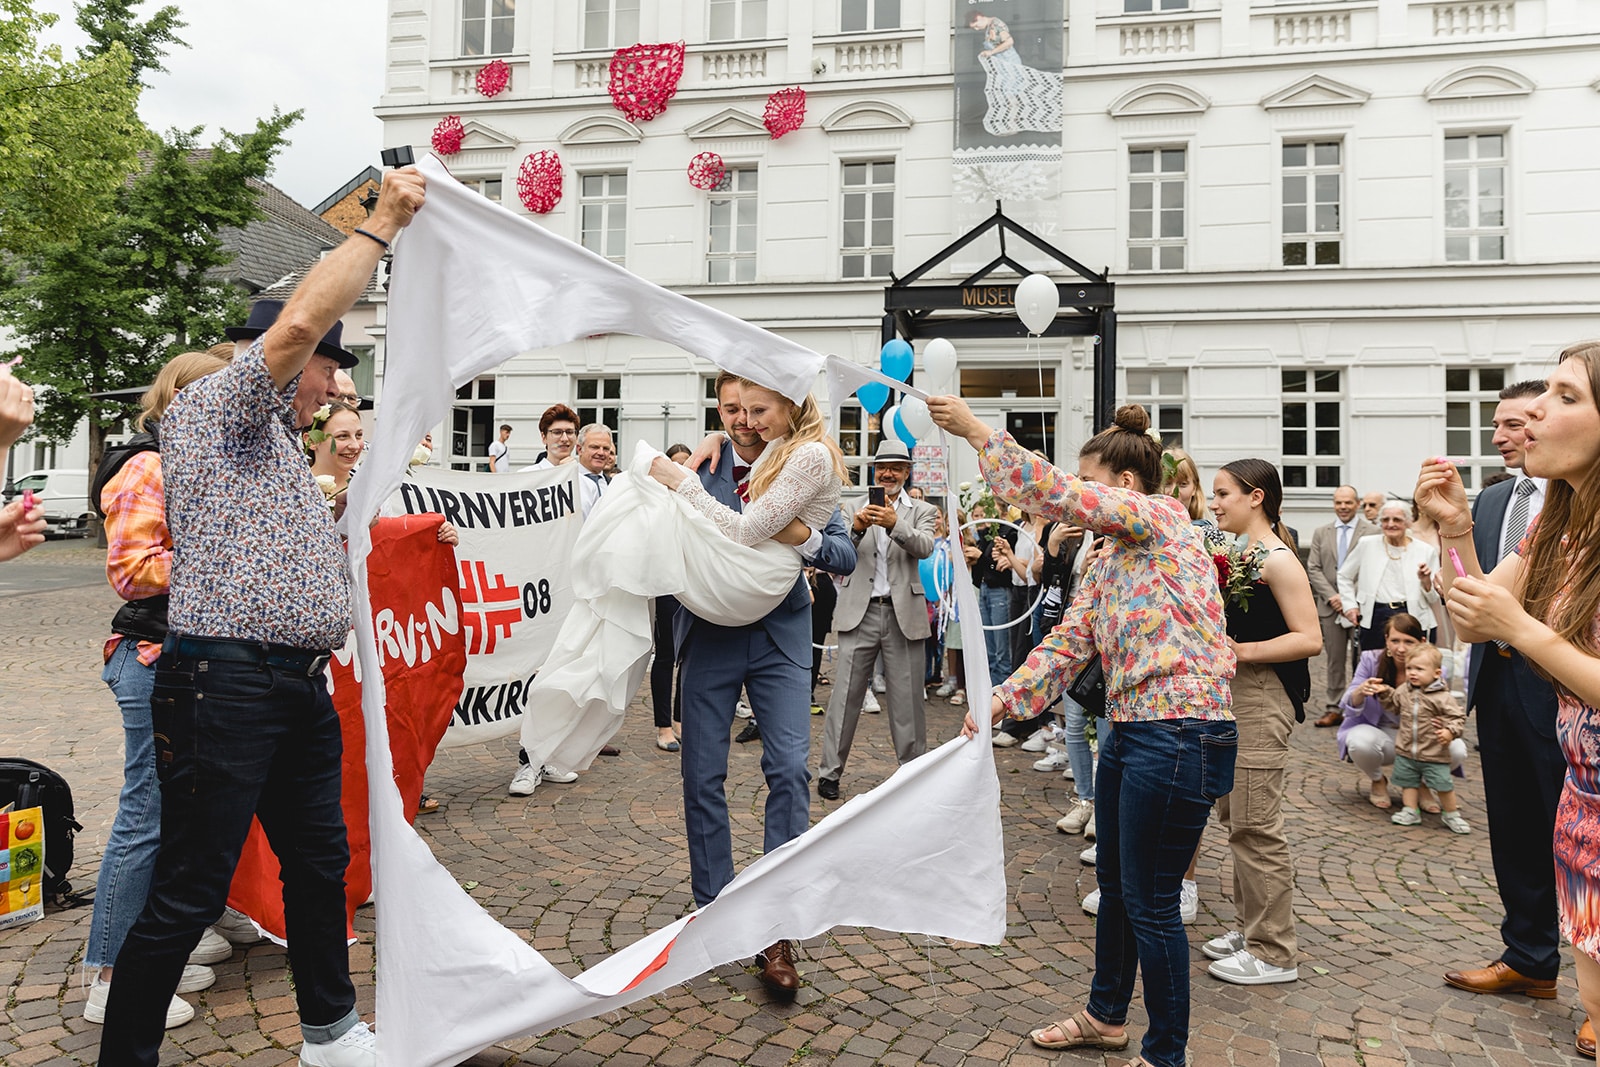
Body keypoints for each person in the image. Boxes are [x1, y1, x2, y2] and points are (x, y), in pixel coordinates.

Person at [95, 164, 426, 1067]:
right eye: (329, 368)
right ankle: (124, 1054)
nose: (332, 386)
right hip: (223, 678)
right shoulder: (221, 408)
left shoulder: (278, 444)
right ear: (284, 359)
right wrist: (381, 227)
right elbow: (298, 320)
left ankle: (331, 1032)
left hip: (293, 684)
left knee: (321, 866)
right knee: (190, 885)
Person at [930, 396, 1235, 1067]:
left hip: (1181, 729)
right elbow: (1069, 644)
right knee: (1121, 889)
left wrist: (980, 433)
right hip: (1129, 729)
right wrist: (1001, 700)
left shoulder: (1162, 516)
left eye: (1089, 483)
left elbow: (1055, 491)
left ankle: (1165, 1055)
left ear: (1123, 486)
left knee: (1154, 902)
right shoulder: (1102, 559)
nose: (1078, 501)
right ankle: (1106, 1016)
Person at [650, 372, 856, 998]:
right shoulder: (701, 463)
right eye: (730, 408)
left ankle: (776, 928)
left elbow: (844, 555)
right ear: (719, 409)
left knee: (791, 770)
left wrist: (806, 537)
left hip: (781, 637)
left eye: (752, 408)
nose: (742, 420)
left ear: (780, 409)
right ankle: (714, 908)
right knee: (700, 774)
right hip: (709, 637)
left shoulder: (804, 464)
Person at [1418, 351, 1600, 1045]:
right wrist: (1456, 528)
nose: (1533, 416)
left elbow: (1508, 622)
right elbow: (1475, 611)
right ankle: (1531, 956)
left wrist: (1522, 630)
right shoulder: (1555, 514)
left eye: (1563, 394)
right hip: (1586, 797)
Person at [84, 351, 234, 1031]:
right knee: (144, 810)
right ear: (179, 398)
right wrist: (229, 543)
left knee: (178, 808)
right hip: (148, 656)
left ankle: (160, 945)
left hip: (179, 656)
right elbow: (134, 570)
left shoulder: (193, 461)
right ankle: (110, 978)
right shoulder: (147, 463)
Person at [1201, 459, 1320, 987]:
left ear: (1256, 497)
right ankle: (1252, 929)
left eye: (1223, 494)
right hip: (1232, 696)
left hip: (1261, 695)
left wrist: (1241, 650)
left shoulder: (1278, 560)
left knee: (1256, 825)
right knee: (1236, 818)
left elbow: (1309, 638)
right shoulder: (1233, 551)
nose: (1213, 503)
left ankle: (1273, 953)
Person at [817, 439, 938, 801]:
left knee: (908, 701)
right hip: (861, 611)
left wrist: (896, 524)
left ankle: (911, 774)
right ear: (874, 471)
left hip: (905, 613)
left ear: (906, 472)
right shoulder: (849, 508)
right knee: (845, 697)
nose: (888, 473)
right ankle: (829, 773)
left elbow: (926, 547)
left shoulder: (921, 510)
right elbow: (833, 555)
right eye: (882, 467)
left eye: (896, 468)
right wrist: (854, 528)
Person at [1338, 612, 1467, 809]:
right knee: (1359, 741)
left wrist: (1444, 725)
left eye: (1409, 641)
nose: (1401, 648)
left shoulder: (1436, 669)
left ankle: (1423, 784)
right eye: (1395, 640)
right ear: (1386, 641)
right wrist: (1360, 691)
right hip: (1382, 735)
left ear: (1422, 641)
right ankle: (1378, 780)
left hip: (1421, 737)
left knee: (1457, 749)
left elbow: (1446, 708)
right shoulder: (1370, 660)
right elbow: (1347, 704)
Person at [1375, 643, 1469, 832]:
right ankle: (1410, 810)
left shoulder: (1443, 697)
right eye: (1410, 668)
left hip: (1434, 753)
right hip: (1407, 751)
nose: (1412, 673)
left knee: (1443, 785)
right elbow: (1394, 704)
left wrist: (1449, 731)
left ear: (1436, 673)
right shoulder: (1404, 690)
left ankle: (1451, 814)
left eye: (1419, 669)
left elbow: (1457, 717)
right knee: (1408, 783)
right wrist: (1386, 693)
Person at [1306, 486, 1377, 726]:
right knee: (1334, 661)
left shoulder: (1373, 531)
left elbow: (1372, 570)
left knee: (1362, 660)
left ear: (1357, 503)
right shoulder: (1321, 532)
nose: (1343, 507)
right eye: (1339, 503)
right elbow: (1313, 568)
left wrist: (1351, 600)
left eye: (1348, 502)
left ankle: (1361, 708)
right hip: (1330, 607)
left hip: (1360, 607)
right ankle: (1334, 707)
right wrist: (1333, 597)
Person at [1337, 499, 1440, 650]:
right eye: (1385, 519)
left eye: (1397, 519)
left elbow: (1433, 598)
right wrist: (1350, 606)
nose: (1391, 524)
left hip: (1412, 615)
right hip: (1375, 615)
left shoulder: (1425, 550)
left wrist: (1426, 581)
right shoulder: (1367, 544)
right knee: (1374, 665)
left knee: (1412, 666)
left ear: (1408, 522)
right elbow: (1344, 575)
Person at [964, 8, 1062, 138]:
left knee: (1010, 95)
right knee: (1007, 95)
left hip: (1009, 64)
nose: (977, 29)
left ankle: (1012, 125)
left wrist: (991, 52)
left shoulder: (996, 24)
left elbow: (1009, 42)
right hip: (1003, 65)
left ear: (979, 17)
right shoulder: (989, 26)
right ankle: (1010, 124)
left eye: (976, 26)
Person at [305, 401, 364, 501]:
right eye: (342, 436)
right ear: (312, 441)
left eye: (358, 435)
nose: (355, 446)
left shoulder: (371, 489)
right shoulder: (297, 488)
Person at [574, 423, 615, 518]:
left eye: (606, 448)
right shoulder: (567, 481)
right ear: (579, 449)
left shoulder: (614, 485)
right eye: (595, 447)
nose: (601, 453)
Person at [523, 404, 579, 469]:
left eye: (569, 432)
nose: (565, 439)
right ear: (544, 437)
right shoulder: (526, 476)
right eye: (557, 432)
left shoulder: (583, 479)